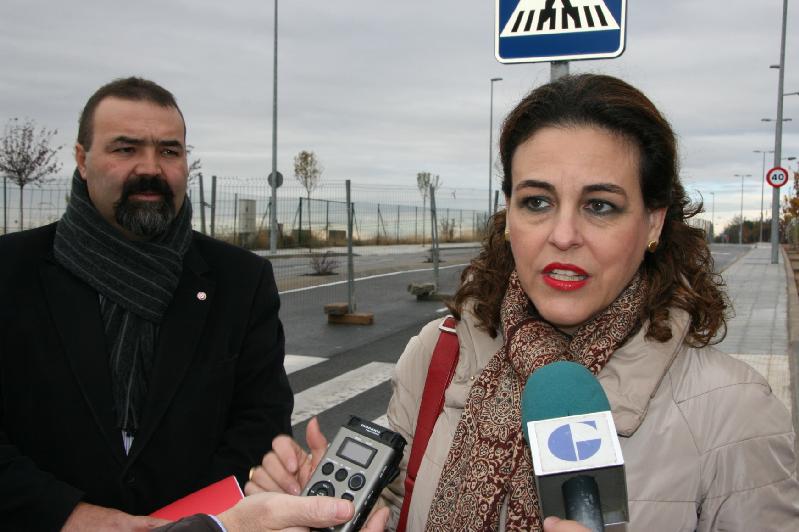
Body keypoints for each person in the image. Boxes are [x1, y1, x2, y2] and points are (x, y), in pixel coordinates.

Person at [250, 74, 799, 531]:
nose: (563, 235)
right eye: (537, 201)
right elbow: (396, 508)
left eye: (600, 206)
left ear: (653, 222)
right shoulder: (438, 354)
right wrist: (329, 511)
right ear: (509, 214)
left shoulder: (734, 410)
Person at [0, 77, 293, 530]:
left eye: (169, 151)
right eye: (126, 148)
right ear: (82, 160)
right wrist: (68, 515)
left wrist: (188, 524)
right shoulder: (9, 271)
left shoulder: (242, 281)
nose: (151, 168)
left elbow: (261, 424)